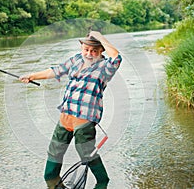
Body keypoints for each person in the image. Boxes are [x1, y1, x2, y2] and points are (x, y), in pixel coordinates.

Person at [20, 31, 122, 189]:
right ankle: (53, 183)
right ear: (82, 48)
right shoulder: (76, 59)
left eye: (94, 50)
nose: (89, 54)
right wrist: (32, 76)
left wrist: (100, 37)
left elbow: (116, 57)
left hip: (84, 121)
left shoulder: (105, 68)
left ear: (101, 50)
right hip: (65, 118)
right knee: (52, 164)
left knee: (86, 155)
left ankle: (103, 182)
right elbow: (55, 71)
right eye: (86, 49)